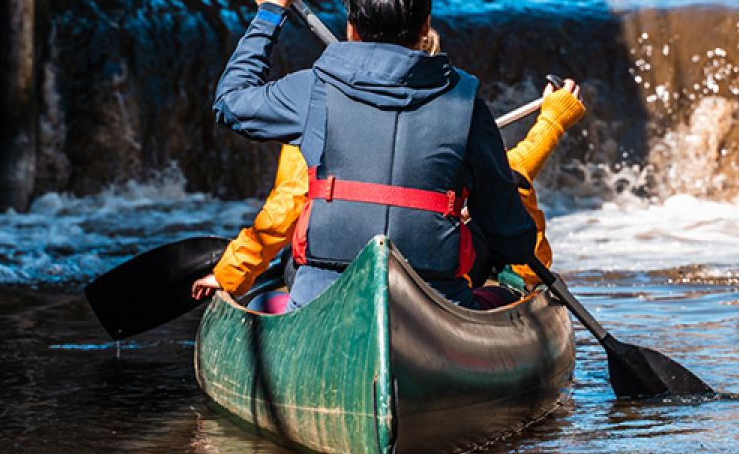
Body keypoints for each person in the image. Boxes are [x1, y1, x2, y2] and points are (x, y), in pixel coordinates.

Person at [212, 0, 540, 310]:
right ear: (425, 25)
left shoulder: (313, 89)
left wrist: (271, 11)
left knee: (263, 302)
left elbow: (231, 102)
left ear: (351, 28)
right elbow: (512, 239)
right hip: (435, 304)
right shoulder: (466, 101)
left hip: (319, 300)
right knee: (507, 296)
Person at [192, 44, 585, 307]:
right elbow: (507, 182)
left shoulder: (319, 106)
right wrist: (530, 287)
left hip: (329, 277)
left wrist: (231, 275)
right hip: (433, 281)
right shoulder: (452, 107)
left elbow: (285, 207)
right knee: (485, 238)